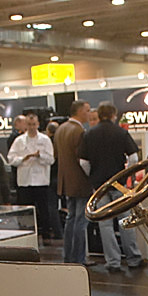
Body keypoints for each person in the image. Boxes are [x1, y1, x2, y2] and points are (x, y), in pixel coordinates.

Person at [78, 101, 144, 270]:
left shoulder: (89, 134)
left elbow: (83, 161)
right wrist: (127, 175)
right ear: (114, 115)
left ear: (98, 115)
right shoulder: (121, 133)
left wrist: (92, 177)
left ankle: (113, 262)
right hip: (119, 183)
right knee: (126, 220)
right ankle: (133, 258)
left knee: (105, 225)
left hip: (100, 186)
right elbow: (134, 158)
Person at [54, 100, 94, 264]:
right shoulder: (79, 131)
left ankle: (68, 255)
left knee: (71, 219)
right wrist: (91, 178)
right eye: (87, 110)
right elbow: (83, 160)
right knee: (80, 221)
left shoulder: (61, 129)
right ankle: (79, 258)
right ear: (79, 112)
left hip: (66, 182)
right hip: (80, 182)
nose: (89, 113)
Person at [7, 112, 55, 239]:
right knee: (26, 211)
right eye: (29, 124)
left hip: (41, 181)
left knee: (43, 209)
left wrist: (40, 156)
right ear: (25, 125)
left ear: (38, 124)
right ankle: (26, 233)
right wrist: (24, 158)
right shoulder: (19, 141)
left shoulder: (45, 140)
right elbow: (11, 159)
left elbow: (51, 160)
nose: (32, 127)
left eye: (34, 124)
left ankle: (45, 234)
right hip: (25, 181)